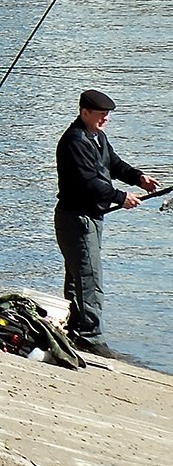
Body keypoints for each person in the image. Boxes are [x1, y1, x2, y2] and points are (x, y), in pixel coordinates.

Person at [54, 89, 159, 358]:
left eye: (107, 115)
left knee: (79, 276)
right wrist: (120, 197)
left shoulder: (97, 136)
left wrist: (139, 178)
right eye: (101, 114)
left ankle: (75, 326)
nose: (106, 119)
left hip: (91, 217)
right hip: (76, 217)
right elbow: (89, 182)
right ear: (84, 112)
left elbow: (113, 164)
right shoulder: (74, 141)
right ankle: (90, 336)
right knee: (89, 277)